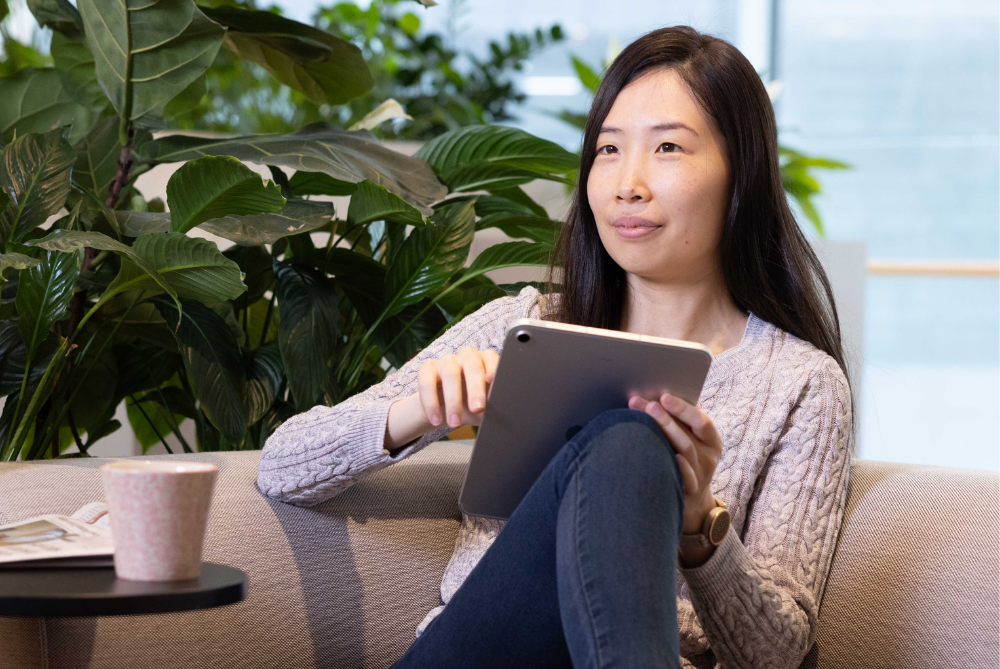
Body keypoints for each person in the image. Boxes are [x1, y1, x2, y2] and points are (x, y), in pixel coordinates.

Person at [257, 24, 854, 669]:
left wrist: (697, 528)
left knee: (629, 440)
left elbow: (780, 654)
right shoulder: (522, 327)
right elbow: (282, 466)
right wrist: (421, 410)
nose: (629, 183)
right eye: (607, 151)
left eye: (669, 149)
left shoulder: (801, 385)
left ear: (743, 175)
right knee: (629, 435)